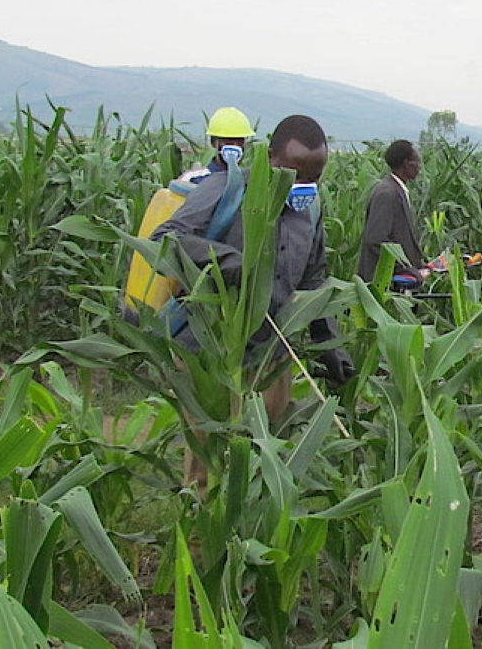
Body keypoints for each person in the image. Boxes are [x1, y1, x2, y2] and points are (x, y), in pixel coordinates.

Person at [151, 114, 355, 483]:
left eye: (315, 176)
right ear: (270, 159)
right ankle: (201, 534)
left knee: (269, 452)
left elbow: (314, 278)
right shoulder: (227, 190)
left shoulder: (310, 209)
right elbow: (167, 238)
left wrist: (329, 343)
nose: (304, 184)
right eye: (295, 173)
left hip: (270, 356)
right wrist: (224, 260)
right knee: (207, 461)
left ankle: (251, 531)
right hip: (210, 349)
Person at [356, 139, 429, 289]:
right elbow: (376, 239)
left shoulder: (396, 191)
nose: (419, 167)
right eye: (416, 161)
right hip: (382, 284)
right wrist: (406, 269)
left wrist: (418, 266)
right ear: (406, 163)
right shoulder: (387, 194)